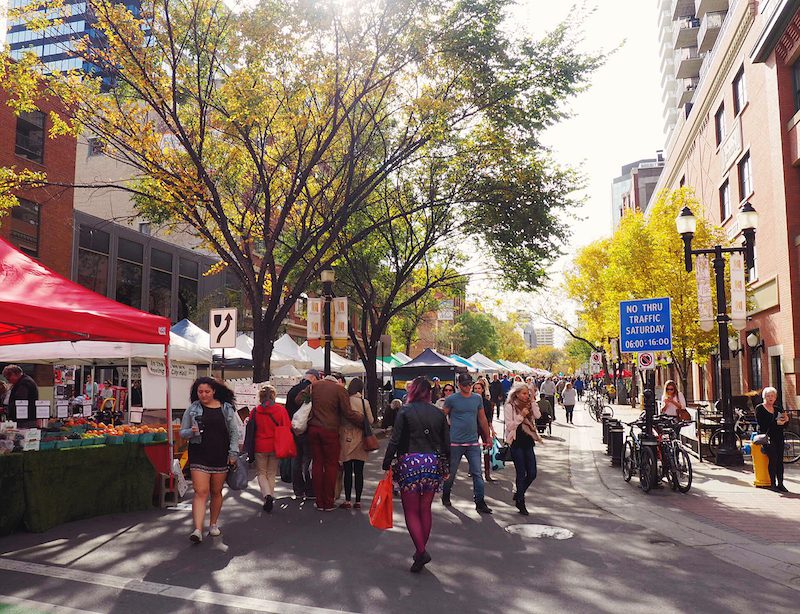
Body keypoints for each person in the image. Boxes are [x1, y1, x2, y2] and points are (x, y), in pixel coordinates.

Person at [382, 376, 450, 573]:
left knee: (411, 511)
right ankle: (420, 553)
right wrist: (447, 467)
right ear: (429, 392)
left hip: (409, 463)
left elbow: (395, 440)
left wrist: (386, 462)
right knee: (425, 510)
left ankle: (421, 551)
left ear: (412, 391)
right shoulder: (438, 414)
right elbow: (446, 443)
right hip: (432, 464)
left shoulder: (404, 411)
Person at [179, 377, 240, 543]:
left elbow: (234, 433)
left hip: (220, 454)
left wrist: (233, 453)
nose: (203, 395)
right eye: (200, 392)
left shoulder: (226, 408)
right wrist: (191, 432)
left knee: (216, 491)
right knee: (200, 491)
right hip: (199, 453)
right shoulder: (193, 409)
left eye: (207, 391)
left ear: (214, 391)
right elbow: (182, 433)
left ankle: (213, 524)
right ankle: (198, 529)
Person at [307, 374, 365, 511]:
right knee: (331, 466)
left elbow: (299, 399)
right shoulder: (339, 390)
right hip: (330, 431)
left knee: (317, 464)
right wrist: (362, 421)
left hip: (313, 429)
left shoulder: (313, 386)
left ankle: (319, 501)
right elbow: (348, 412)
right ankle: (328, 501)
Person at [441, 373, 493, 514]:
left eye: (469, 384)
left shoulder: (477, 399)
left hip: (472, 442)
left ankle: (480, 502)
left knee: (477, 473)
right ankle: (446, 495)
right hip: (455, 443)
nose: (468, 387)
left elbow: (482, 418)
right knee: (451, 473)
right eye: (465, 384)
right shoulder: (451, 399)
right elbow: (442, 416)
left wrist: (488, 436)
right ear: (459, 385)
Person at [251, 383, 290, 513]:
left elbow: (251, 429)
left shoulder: (255, 411)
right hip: (276, 445)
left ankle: (267, 495)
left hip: (260, 445)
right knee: (272, 473)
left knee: (261, 473)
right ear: (274, 396)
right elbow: (287, 426)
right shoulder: (280, 410)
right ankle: (270, 496)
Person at [504, 383, 541, 515]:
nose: (526, 396)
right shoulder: (510, 406)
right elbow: (509, 426)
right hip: (516, 442)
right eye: (524, 394)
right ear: (517, 394)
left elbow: (537, 416)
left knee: (532, 473)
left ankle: (519, 492)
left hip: (528, 441)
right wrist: (521, 416)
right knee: (521, 473)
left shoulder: (530, 404)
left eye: (527, 393)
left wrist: (533, 401)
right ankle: (521, 501)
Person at [340, 378, 374, 509]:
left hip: (346, 438)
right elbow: (370, 420)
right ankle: (358, 500)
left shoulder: (345, 401)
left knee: (347, 471)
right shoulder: (364, 402)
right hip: (361, 439)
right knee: (359, 472)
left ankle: (347, 500)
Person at [286, 369, 319, 500]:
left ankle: (298, 490)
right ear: (314, 378)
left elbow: (288, 411)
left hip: (294, 429)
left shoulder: (292, 390)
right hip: (307, 430)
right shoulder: (310, 390)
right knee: (307, 460)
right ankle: (310, 490)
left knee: (296, 459)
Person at [756, 386, 790, 493]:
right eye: (768, 396)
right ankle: (772, 484)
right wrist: (776, 423)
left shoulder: (778, 409)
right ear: (764, 397)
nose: (770, 398)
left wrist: (786, 421)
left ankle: (781, 483)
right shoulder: (759, 408)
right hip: (768, 437)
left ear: (775, 397)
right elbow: (762, 425)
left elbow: (784, 425)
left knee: (780, 460)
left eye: (772, 396)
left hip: (778, 437)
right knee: (773, 458)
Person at [473, 379, 495, 482]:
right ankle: (473, 470)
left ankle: (487, 473)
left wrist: (491, 430)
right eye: (475, 388)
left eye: (479, 388)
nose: (477, 390)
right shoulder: (470, 401)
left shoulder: (487, 403)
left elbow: (489, 417)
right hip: (473, 428)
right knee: (473, 450)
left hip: (484, 428)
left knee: (486, 450)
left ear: (482, 390)